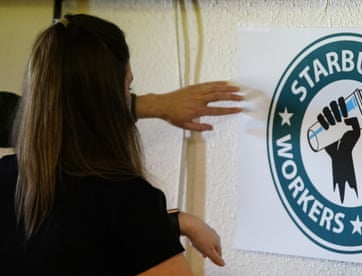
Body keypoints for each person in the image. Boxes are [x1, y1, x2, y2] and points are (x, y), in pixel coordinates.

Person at [0, 13, 241, 275]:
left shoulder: (6, 177)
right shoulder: (128, 199)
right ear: (109, 100)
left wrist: (172, 222)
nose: (129, 96)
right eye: (128, 86)